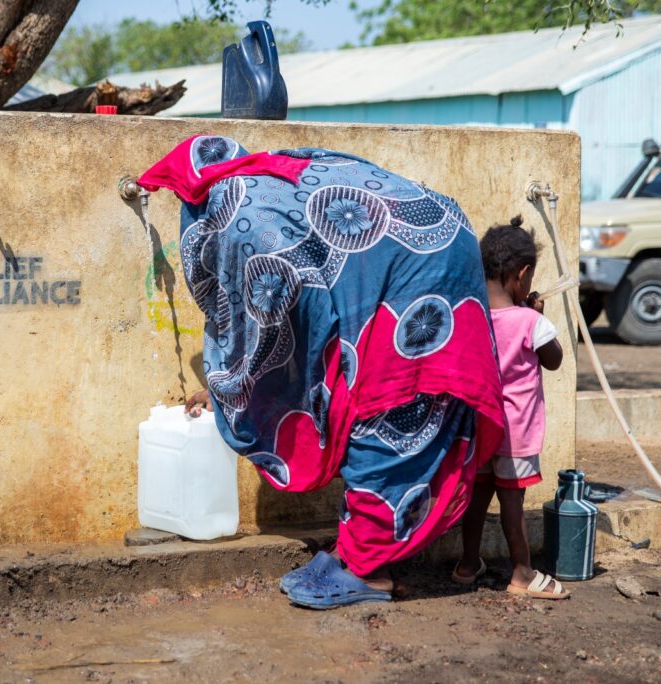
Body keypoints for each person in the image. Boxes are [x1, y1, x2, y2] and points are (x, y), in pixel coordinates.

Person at [140, 135, 505, 608]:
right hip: (433, 242)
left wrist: (230, 382)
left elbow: (269, 326)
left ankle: (370, 571)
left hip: (418, 272)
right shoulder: (272, 174)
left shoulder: (243, 212)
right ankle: (360, 553)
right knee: (378, 399)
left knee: (384, 406)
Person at [452, 216, 569, 599]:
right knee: (513, 501)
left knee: (477, 496)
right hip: (516, 431)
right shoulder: (528, 321)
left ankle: (469, 564)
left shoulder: (472, 315)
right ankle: (522, 572)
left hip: (480, 425)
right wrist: (538, 316)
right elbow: (554, 360)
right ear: (522, 274)